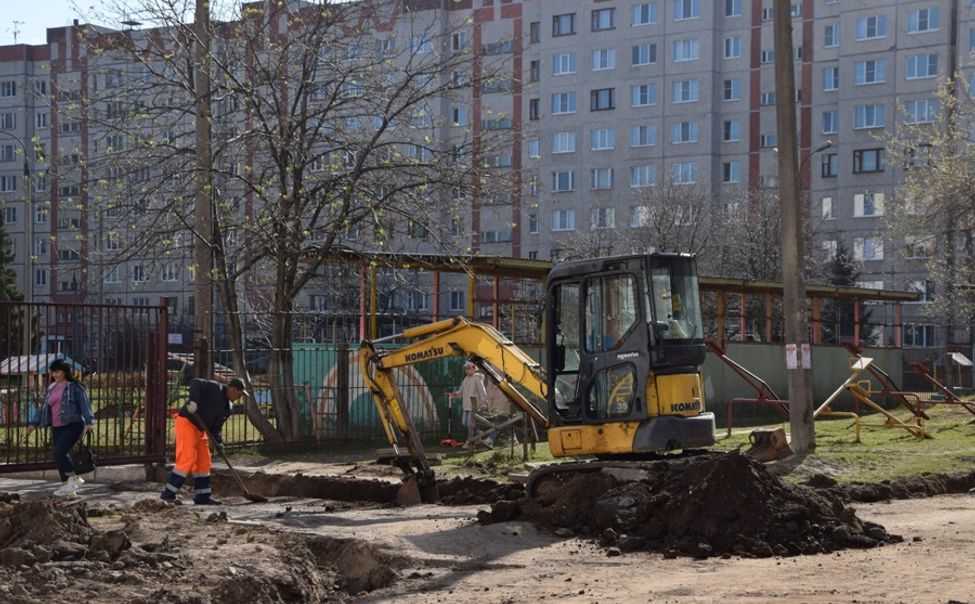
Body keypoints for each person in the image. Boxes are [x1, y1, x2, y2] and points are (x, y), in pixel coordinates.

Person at [160, 376, 248, 505]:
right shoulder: (215, 388)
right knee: (187, 457)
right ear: (233, 390)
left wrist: (218, 442)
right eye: (239, 395)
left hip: (200, 429)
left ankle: (203, 497)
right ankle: (168, 495)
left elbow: (216, 428)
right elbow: (195, 382)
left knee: (204, 462)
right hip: (187, 422)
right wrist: (193, 401)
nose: (239, 398)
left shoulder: (227, 408)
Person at [24, 359, 95, 497]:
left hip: (73, 424)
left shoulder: (74, 387)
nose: (54, 374)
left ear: (64, 372)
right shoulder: (51, 388)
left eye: (58, 371)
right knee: (60, 455)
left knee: (59, 451)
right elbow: (43, 408)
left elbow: (84, 403)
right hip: (57, 427)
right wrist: (33, 423)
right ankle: (68, 487)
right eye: (53, 371)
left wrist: (89, 421)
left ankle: (74, 478)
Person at [459, 361, 489, 447]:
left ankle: (469, 442)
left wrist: (484, 402)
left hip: (474, 405)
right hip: (466, 405)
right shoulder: (466, 379)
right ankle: (479, 433)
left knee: (469, 424)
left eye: (469, 368)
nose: (467, 370)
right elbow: (461, 391)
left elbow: (482, 392)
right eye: (466, 369)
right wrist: (455, 394)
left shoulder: (477, 378)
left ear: (474, 369)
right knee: (464, 423)